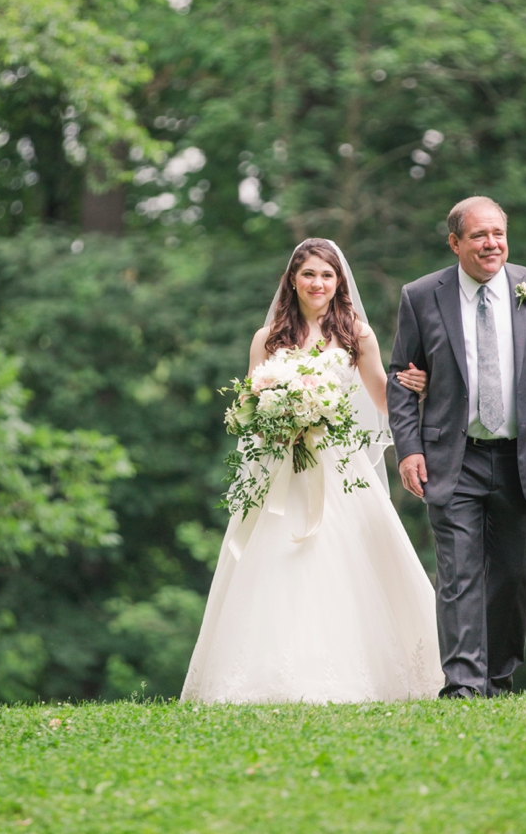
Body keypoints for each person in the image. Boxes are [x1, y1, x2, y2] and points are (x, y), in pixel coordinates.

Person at [182, 238, 444, 704]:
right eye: (309, 275)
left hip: (340, 467)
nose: (318, 283)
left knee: (350, 560)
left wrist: (414, 387)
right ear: (293, 280)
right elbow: (247, 404)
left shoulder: (356, 334)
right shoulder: (268, 339)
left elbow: (382, 399)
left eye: (327, 274)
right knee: (276, 563)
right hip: (283, 468)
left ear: (338, 280)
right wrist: (276, 414)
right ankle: (267, 679)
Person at [387, 197, 526, 699]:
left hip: (525, 456)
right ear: (455, 242)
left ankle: (497, 680)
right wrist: (408, 447)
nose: (491, 243)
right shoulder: (420, 296)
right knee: (459, 575)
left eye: (497, 233)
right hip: (453, 457)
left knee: (515, 576)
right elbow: (400, 377)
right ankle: (462, 686)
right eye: (478, 236)